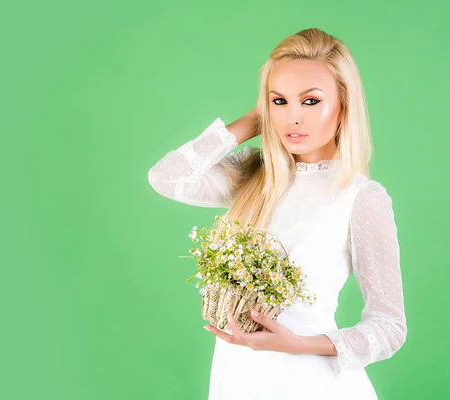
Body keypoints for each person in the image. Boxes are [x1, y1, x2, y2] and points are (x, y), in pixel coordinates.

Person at [148, 27, 407, 400]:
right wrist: (251, 122)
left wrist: (301, 344)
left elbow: (389, 326)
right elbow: (166, 177)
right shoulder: (255, 176)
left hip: (311, 382)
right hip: (237, 378)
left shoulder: (361, 198)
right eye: (279, 101)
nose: (293, 118)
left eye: (311, 101)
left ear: (343, 107)